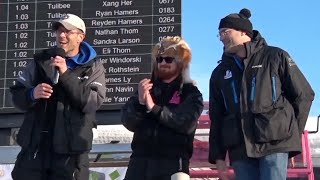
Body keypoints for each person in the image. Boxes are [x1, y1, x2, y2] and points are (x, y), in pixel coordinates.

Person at [208, 8, 315, 180]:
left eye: (225, 32)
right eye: (219, 33)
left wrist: (290, 132)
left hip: (274, 145)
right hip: (240, 149)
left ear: (243, 32)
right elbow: (217, 116)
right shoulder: (220, 73)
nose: (221, 37)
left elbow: (304, 95)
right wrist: (218, 157)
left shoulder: (275, 56)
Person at [10, 14, 106, 180]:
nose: (61, 35)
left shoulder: (93, 67)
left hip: (70, 154)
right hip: (35, 150)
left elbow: (91, 102)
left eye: (68, 31)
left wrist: (65, 74)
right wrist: (32, 94)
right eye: (59, 31)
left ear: (80, 37)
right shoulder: (41, 61)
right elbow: (17, 96)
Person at [121, 36, 203, 180]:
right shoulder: (146, 88)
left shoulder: (191, 93)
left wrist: (153, 108)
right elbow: (128, 122)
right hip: (139, 163)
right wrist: (140, 103)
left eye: (169, 59)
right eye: (160, 59)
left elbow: (186, 123)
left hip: (173, 163)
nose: (163, 63)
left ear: (180, 62)